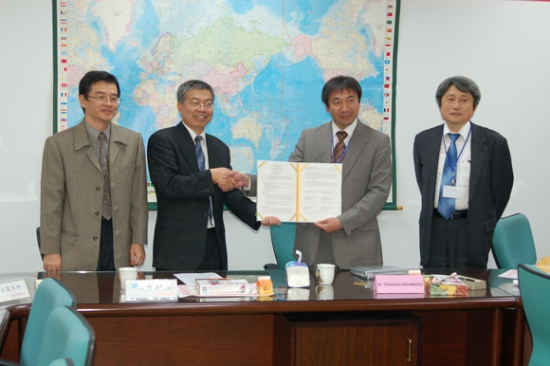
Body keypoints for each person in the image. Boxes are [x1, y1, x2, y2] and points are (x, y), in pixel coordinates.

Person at [229, 75, 392, 270]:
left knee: (356, 300)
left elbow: (379, 193)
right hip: (313, 245)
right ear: (327, 107)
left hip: (357, 244)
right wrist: (248, 181)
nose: (345, 108)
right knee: (311, 298)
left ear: (359, 102)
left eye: (351, 100)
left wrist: (342, 221)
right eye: (337, 102)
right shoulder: (310, 137)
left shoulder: (378, 141)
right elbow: (288, 179)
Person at [147, 80, 278, 271]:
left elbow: (230, 194)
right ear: (180, 106)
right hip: (177, 249)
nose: (202, 109)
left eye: (208, 104)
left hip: (214, 246)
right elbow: (169, 186)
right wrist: (211, 176)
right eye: (195, 102)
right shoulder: (163, 140)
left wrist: (260, 214)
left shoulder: (220, 148)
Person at [41, 70, 148, 271]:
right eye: (100, 97)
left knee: (118, 299)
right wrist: (51, 250)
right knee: (80, 299)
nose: (108, 103)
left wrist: (138, 240)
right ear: (83, 100)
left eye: (113, 98)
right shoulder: (58, 144)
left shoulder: (133, 141)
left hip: (120, 242)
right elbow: (51, 203)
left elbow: (138, 198)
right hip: (76, 245)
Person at [413, 76, 514, 269]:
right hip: (434, 228)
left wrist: (484, 221)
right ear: (439, 104)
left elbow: (500, 192)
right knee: (434, 288)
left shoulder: (494, 143)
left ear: (474, 106)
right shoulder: (423, 140)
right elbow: (423, 182)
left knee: (472, 287)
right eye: (450, 99)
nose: (456, 105)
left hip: (473, 227)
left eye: (464, 99)